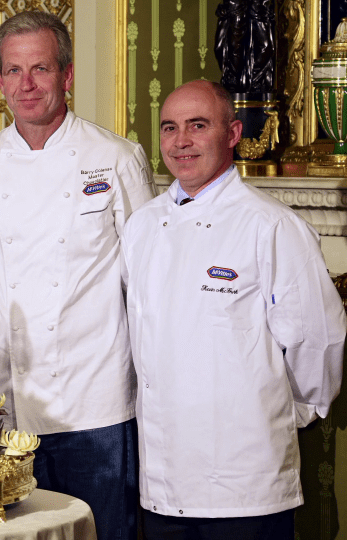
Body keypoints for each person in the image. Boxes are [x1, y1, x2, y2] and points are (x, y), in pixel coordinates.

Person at [0, 10, 154, 539]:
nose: (27, 84)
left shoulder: (114, 158)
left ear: (66, 75)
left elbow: (143, 276)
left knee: (105, 531)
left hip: (99, 396)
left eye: (40, 69)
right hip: (13, 400)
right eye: (14, 71)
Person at [122, 79, 345, 539]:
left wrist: (285, 411)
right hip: (162, 481)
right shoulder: (141, 226)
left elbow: (318, 341)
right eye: (169, 128)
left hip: (249, 484)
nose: (180, 141)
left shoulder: (272, 226)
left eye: (197, 125)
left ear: (233, 133)